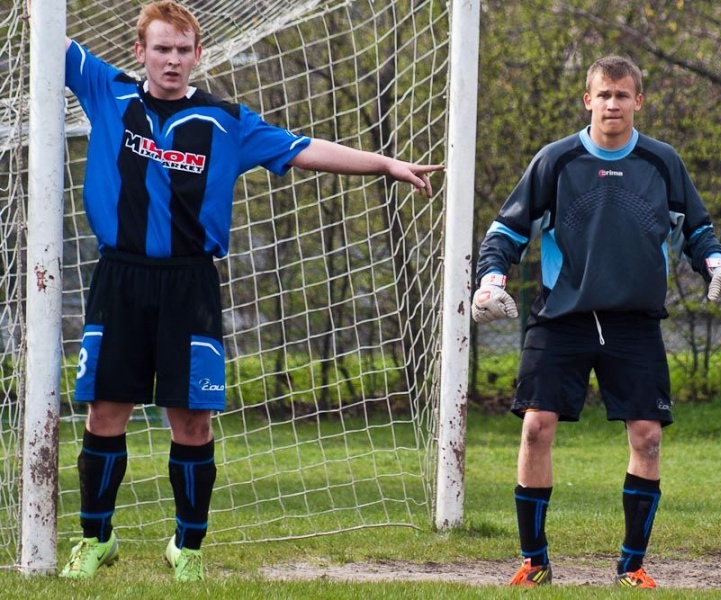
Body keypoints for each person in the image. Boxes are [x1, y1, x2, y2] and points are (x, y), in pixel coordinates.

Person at [55, 0, 443, 582]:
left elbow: (307, 148)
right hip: (120, 277)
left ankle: (188, 549)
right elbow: (47, 33)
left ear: (197, 55)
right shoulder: (106, 91)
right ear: (140, 53)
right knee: (106, 410)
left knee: (192, 421)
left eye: (183, 50)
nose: (172, 60)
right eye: (161, 49)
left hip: (191, 286)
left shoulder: (226, 121)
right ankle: (96, 540)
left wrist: (384, 163)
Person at [471, 55, 721, 589]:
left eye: (623, 95)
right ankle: (534, 563)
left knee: (647, 437)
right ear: (588, 100)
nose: (613, 104)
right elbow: (506, 233)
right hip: (562, 316)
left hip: (634, 322)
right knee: (535, 428)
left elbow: (698, 228)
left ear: (638, 101)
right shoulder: (556, 161)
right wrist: (491, 280)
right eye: (604, 95)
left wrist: (718, 264)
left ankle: (632, 566)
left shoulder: (662, 162)